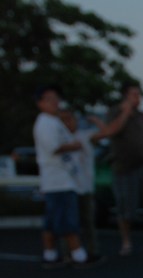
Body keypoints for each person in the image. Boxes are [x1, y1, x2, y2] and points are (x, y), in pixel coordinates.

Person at [32, 85, 89, 268]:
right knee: (67, 220)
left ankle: (50, 255)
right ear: (40, 103)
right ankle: (78, 255)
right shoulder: (45, 123)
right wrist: (75, 146)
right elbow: (53, 147)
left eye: (56, 98)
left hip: (59, 180)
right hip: (58, 181)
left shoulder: (52, 121)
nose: (55, 102)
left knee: (53, 220)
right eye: (50, 99)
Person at [104, 81, 143, 256]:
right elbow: (111, 131)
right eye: (134, 94)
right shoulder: (114, 112)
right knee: (125, 208)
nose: (138, 98)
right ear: (125, 96)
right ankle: (126, 242)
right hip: (124, 167)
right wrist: (125, 112)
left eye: (138, 94)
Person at [59, 109, 110, 262]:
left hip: (85, 186)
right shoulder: (59, 137)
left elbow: (105, 134)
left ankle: (92, 251)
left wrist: (96, 121)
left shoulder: (84, 135)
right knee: (68, 222)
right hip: (67, 186)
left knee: (88, 221)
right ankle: (68, 253)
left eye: (69, 119)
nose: (67, 123)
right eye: (63, 120)